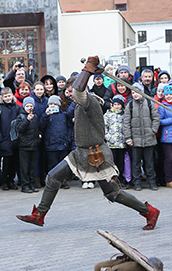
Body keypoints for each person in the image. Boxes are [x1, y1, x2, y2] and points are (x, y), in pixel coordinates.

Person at [17, 55, 159, 229]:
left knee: (113, 194)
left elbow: (79, 90)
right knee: (53, 177)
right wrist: (90, 72)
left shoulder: (89, 102)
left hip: (97, 155)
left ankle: (149, 211)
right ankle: (39, 214)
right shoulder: (80, 104)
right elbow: (78, 90)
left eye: (72, 89)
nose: (70, 93)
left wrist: (87, 69)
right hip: (80, 154)